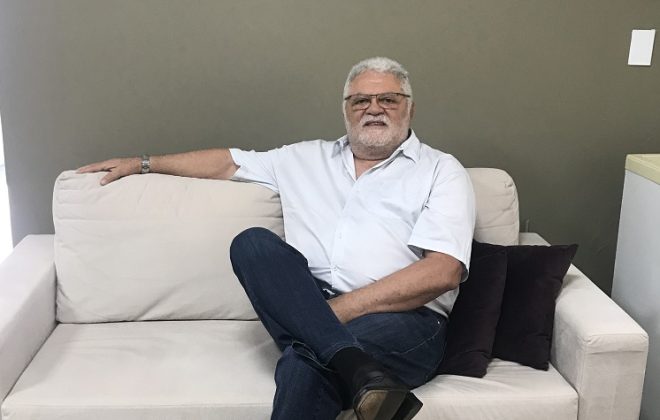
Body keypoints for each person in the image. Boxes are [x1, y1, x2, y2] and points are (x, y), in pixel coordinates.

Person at [78, 57, 475, 420]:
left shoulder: (441, 171)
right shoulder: (302, 158)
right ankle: (358, 370)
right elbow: (227, 162)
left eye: (387, 99)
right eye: (360, 101)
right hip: (310, 296)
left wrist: (322, 317)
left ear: (410, 108)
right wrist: (144, 163)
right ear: (345, 110)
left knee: (304, 362)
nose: (373, 109)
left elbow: (443, 271)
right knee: (252, 243)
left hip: (406, 321)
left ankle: (333, 350)